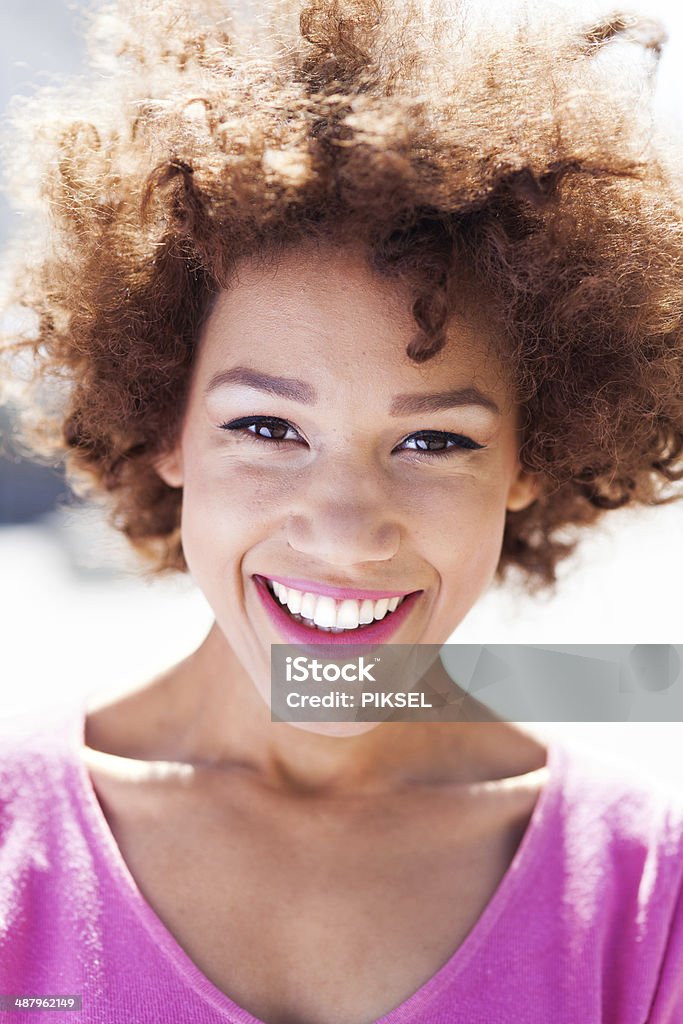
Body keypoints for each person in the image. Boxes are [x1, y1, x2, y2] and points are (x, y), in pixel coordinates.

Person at [0, 1, 682, 1021]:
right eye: (268, 428)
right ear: (165, 427)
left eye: (433, 441)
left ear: (528, 461)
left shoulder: (642, 894)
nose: (345, 528)